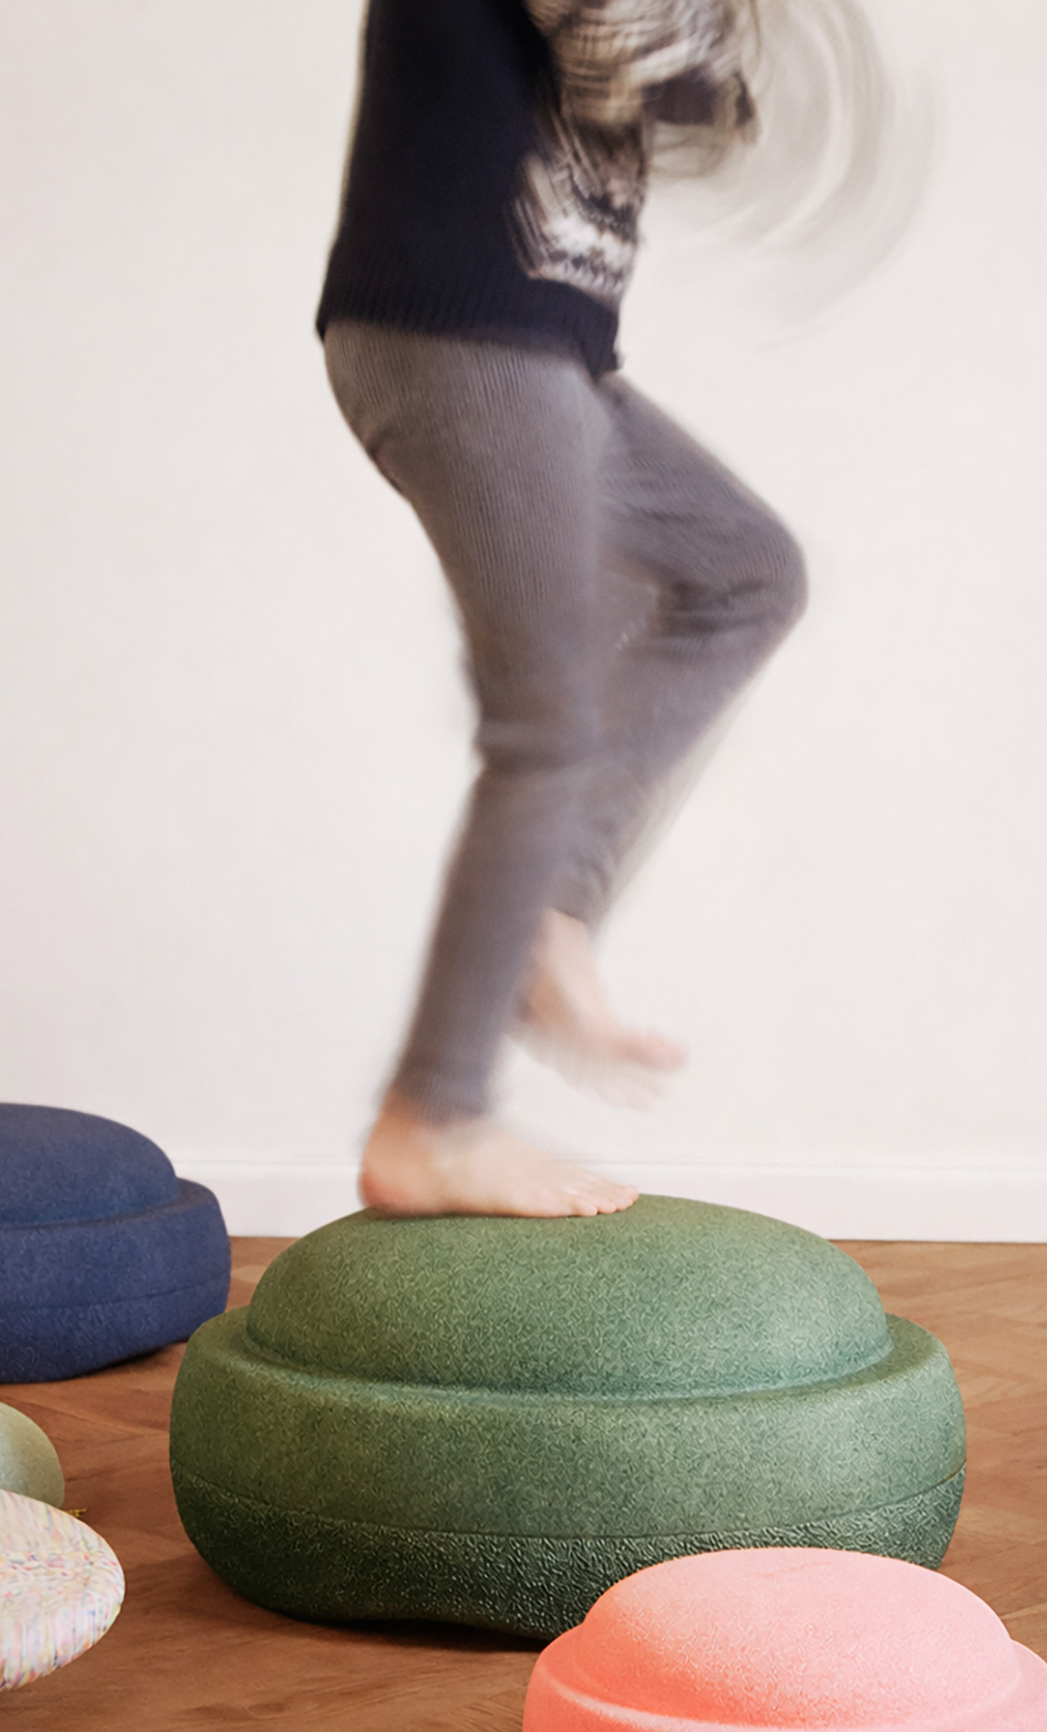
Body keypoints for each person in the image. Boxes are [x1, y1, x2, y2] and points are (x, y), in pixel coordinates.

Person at [320, 0, 807, 1219]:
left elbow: (696, 104)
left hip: (542, 348)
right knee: (544, 723)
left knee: (747, 573)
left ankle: (546, 919)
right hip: (462, 335)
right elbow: (635, 56)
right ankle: (431, 1115)